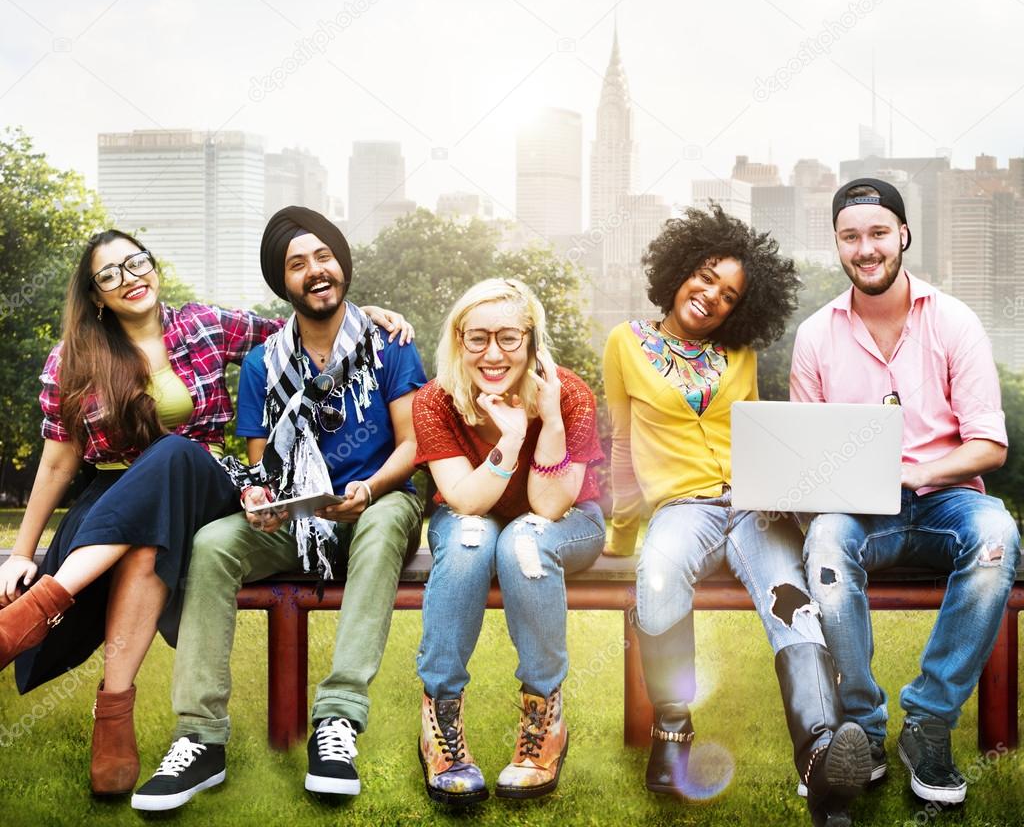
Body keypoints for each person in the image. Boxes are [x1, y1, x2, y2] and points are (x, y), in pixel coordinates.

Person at [0, 228, 408, 797]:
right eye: (110, 274)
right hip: (113, 501)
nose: (129, 278)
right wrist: (21, 553)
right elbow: (54, 466)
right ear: (95, 295)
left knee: (174, 452)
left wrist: (369, 316)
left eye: (136, 262)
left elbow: (304, 324)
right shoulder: (73, 358)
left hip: (206, 479)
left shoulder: (202, 325)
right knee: (147, 537)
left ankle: (32, 616)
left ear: (153, 266)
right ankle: (113, 716)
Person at [132, 206, 425, 811]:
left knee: (391, 513)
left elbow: (413, 444)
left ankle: (337, 722)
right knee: (213, 543)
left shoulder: (388, 343)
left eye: (324, 256)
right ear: (282, 282)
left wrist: (368, 487)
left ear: (342, 264)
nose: (315, 271)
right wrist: (263, 500)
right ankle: (200, 736)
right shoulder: (266, 362)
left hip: (375, 508)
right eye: (297, 264)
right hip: (299, 524)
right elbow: (263, 464)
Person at [603, 205, 872, 827]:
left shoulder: (740, 356)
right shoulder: (626, 343)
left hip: (753, 507)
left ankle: (823, 762)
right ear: (678, 271)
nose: (711, 297)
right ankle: (672, 733)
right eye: (704, 277)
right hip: (683, 508)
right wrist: (621, 533)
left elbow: (758, 438)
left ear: (740, 310)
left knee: (791, 599)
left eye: (729, 296)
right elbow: (621, 443)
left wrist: (782, 492)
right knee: (660, 572)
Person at [793, 178, 1021, 806]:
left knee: (998, 534)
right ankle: (862, 730)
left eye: (877, 234)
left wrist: (917, 473)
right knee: (827, 539)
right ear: (837, 245)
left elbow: (990, 447)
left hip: (947, 500)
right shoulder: (815, 335)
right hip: (864, 513)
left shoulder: (954, 321)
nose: (865, 249)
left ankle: (927, 722)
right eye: (850, 237)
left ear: (903, 236)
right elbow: (806, 454)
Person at [413, 278, 605, 806]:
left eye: (508, 338)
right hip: (473, 513)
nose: (493, 354)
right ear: (458, 341)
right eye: (477, 339)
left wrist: (545, 420)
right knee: (472, 539)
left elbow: (548, 507)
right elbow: (465, 501)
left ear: (532, 342)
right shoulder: (435, 400)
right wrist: (511, 438)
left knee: (524, 540)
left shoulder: (568, 393)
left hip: (568, 520)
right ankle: (441, 719)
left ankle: (544, 717)